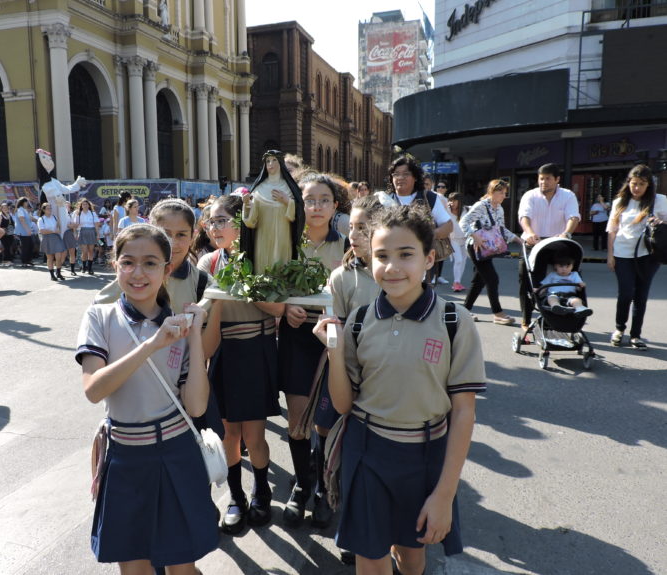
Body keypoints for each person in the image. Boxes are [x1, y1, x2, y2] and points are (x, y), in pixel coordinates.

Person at [313, 204, 485, 575]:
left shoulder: (455, 321)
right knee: (370, 557)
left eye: (406, 254)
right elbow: (344, 404)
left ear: (429, 258)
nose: (391, 267)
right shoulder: (359, 321)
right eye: (381, 256)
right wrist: (334, 348)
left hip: (426, 456)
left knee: (411, 555)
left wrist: (444, 494)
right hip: (367, 449)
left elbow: (464, 412)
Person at [76, 224, 217, 573]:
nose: (138, 273)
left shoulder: (180, 325)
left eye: (150, 263)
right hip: (125, 456)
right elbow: (94, 390)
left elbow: (197, 406)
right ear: (115, 265)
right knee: (134, 567)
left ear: (166, 270)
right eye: (128, 262)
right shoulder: (100, 316)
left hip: (176, 452)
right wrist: (151, 345)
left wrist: (195, 336)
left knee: (181, 566)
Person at [197, 195, 284, 536]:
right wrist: (220, 290)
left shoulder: (263, 260)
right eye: (211, 222)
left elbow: (278, 310)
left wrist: (242, 286)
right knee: (229, 433)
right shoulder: (208, 264)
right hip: (223, 352)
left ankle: (261, 491)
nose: (215, 228)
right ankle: (236, 498)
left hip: (257, 348)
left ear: (242, 223)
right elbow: (203, 318)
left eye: (222, 220)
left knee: (254, 434)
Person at [278, 173, 347, 530]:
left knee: (325, 420)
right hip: (296, 337)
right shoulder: (286, 242)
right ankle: (301, 484)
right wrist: (287, 307)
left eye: (324, 200)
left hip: (333, 340)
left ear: (335, 207)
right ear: (299, 205)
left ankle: (322, 487)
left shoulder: (348, 244)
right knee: (297, 418)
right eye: (310, 200)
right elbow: (273, 285)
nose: (316, 206)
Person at [606, 164, 667, 350]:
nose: (637, 187)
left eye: (641, 184)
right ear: (628, 183)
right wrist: (610, 255)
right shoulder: (620, 201)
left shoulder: (659, 200)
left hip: (648, 255)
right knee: (625, 293)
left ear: (649, 184)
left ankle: (635, 335)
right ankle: (619, 329)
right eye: (634, 183)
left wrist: (660, 222)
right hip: (622, 253)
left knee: (641, 296)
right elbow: (612, 230)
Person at [517, 163, 580, 328]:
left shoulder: (568, 195)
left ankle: (557, 315)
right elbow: (524, 216)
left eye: (548, 179)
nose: (543, 182)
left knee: (561, 281)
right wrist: (530, 233)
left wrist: (566, 233)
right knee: (528, 280)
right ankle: (526, 319)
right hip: (534, 242)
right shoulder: (530, 195)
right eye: (541, 179)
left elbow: (573, 216)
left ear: (557, 179)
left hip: (557, 242)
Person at [460, 180, 522, 325]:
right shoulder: (481, 206)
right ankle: (498, 313)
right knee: (492, 278)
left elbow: (500, 229)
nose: (503, 196)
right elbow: (463, 222)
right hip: (476, 247)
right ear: (492, 192)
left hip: (489, 247)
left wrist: (517, 239)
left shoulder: (499, 208)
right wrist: (474, 236)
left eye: (505, 193)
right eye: (500, 192)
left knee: (479, 281)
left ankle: (464, 311)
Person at [240, 150, 305, 273]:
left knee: (281, 264)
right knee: (263, 264)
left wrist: (287, 201)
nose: (271, 163)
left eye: (274, 160)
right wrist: (247, 204)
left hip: (283, 235)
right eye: (268, 161)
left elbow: (299, 214)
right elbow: (250, 222)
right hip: (262, 235)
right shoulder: (259, 188)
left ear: (280, 163)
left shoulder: (288, 187)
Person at [37, 202, 67, 281]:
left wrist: (57, 230)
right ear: (43, 210)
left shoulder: (54, 217)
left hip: (56, 238)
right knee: (50, 258)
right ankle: (52, 275)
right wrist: (53, 231)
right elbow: (42, 231)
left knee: (59, 256)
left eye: (50, 208)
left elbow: (58, 228)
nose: (50, 210)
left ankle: (58, 272)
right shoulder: (41, 219)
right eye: (48, 208)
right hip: (47, 239)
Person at [446, 192, 467, 292]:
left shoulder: (465, 210)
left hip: (464, 239)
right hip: (453, 239)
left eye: (454, 200)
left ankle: (458, 282)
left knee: (463, 261)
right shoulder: (447, 210)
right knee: (458, 260)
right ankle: (455, 282)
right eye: (450, 200)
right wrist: (446, 206)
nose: (452, 202)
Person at [75, 198, 99, 274]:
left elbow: (96, 224)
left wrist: (98, 234)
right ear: (81, 205)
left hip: (91, 231)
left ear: (89, 205)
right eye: (83, 204)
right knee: (84, 252)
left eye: (86, 204)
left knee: (91, 251)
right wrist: (76, 233)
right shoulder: (78, 213)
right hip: (83, 232)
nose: (85, 205)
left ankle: (90, 268)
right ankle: (83, 267)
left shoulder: (93, 213)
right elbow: (76, 225)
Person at [14, 197, 35, 267]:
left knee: (30, 245)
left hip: (27, 232)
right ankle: (24, 262)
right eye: (26, 202)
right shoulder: (20, 210)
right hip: (23, 232)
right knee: (25, 247)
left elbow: (31, 218)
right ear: (23, 203)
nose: (27, 203)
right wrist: (27, 230)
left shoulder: (25, 210)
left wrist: (39, 220)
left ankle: (28, 260)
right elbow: (22, 220)